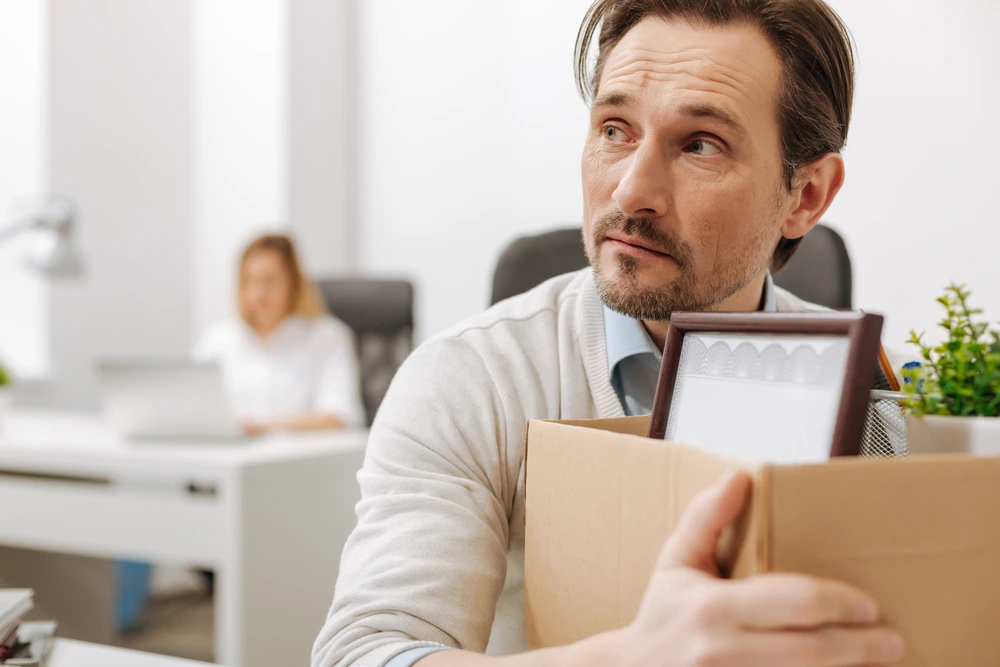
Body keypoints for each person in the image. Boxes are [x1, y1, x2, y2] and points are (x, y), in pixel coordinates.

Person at [313, 1, 906, 665]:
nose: (629, 192)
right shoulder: (470, 377)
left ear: (806, 196)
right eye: (615, 129)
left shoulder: (887, 394)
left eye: (699, 144)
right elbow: (362, 652)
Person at [195, 233, 365, 433]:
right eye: (250, 281)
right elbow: (190, 404)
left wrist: (263, 428)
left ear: (293, 284)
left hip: (300, 458)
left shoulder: (327, 336)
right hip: (231, 458)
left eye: (270, 281)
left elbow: (341, 416)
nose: (259, 294)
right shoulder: (218, 339)